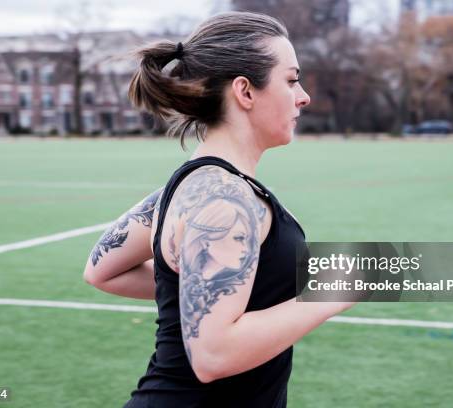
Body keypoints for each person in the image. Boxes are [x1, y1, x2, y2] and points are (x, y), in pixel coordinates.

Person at [83, 11, 357, 407]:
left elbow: (101, 269)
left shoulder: (195, 186)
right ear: (245, 92)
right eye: (291, 80)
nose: (303, 96)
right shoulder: (222, 200)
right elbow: (212, 356)